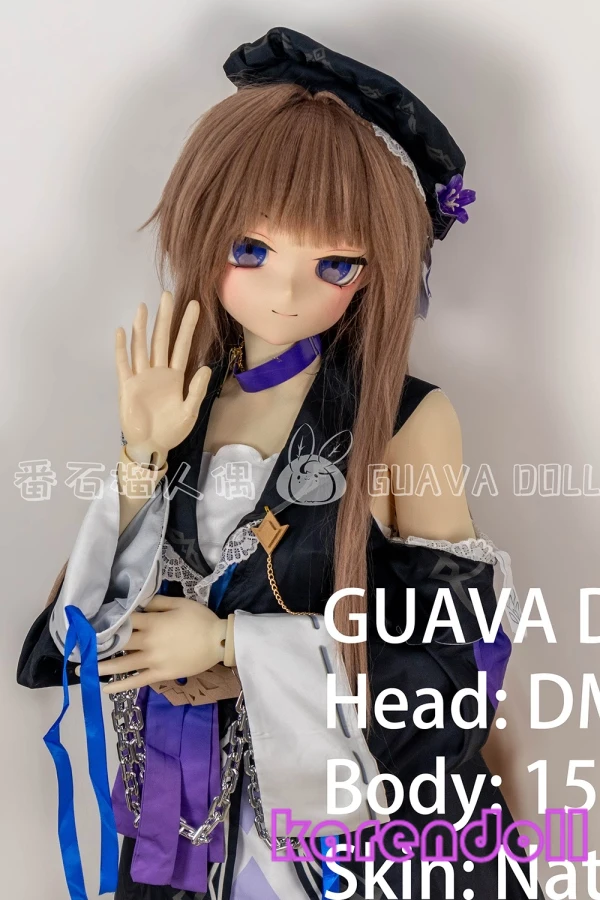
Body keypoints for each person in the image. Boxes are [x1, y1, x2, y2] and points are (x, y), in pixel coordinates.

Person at [17, 26, 539, 900]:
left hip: (355, 836)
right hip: (191, 822)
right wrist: (141, 453)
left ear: (376, 270)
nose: (286, 291)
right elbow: (75, 647)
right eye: (250, 250)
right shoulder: (182, 404)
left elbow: (457, 675)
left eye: (334, 262)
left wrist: (235, 645)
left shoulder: (407, 421)